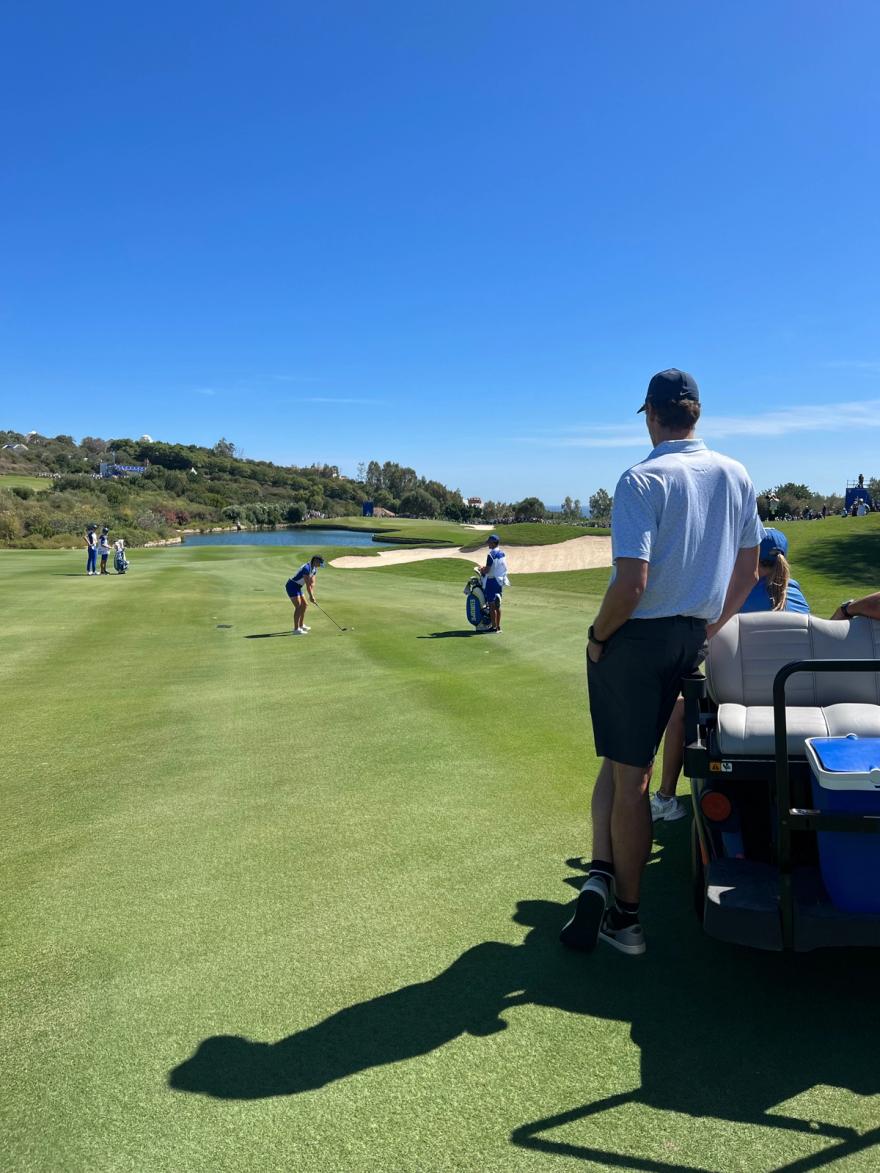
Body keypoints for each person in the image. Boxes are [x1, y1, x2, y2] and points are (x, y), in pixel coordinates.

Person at [560, 369, 762, 958]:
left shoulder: (641, 478)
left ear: (651, 414)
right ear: (695, 413)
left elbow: (631, 584)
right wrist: (709, 627)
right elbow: (749, 570)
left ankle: (625, 920)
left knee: (632, 780)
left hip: (637, 643)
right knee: (620, 758)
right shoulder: (736, 473)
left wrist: (597, 637)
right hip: (691, 639)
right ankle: (601, 870)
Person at [650, 527, 810, 822]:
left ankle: (666, 798)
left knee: (679, 711)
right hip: (796, 698)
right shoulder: (796, 592)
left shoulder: (736, 593)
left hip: (743, 699)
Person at [285, 556, 324, 635]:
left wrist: (312, 595)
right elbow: (307, 584)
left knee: (305, 605)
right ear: (315, 561)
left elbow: (312, 583)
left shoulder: (314, 569)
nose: (320, 566)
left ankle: (301, 625)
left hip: (298, 587)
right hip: (292, 586)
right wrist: (311, 596)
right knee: (298, 606)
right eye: (320, 564)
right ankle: (296, 629)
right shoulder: (306, 568)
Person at [478, 534, 509, 633]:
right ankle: (498, 627)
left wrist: (481, 569)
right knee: (497, 605)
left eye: (489, 542)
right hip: (499, 581)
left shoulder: (491, 554)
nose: (488, 544)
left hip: (491, 581)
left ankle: (494, 627)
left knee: (491, 605)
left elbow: (487, 570)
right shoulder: (502, 553)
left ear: (493, 543)